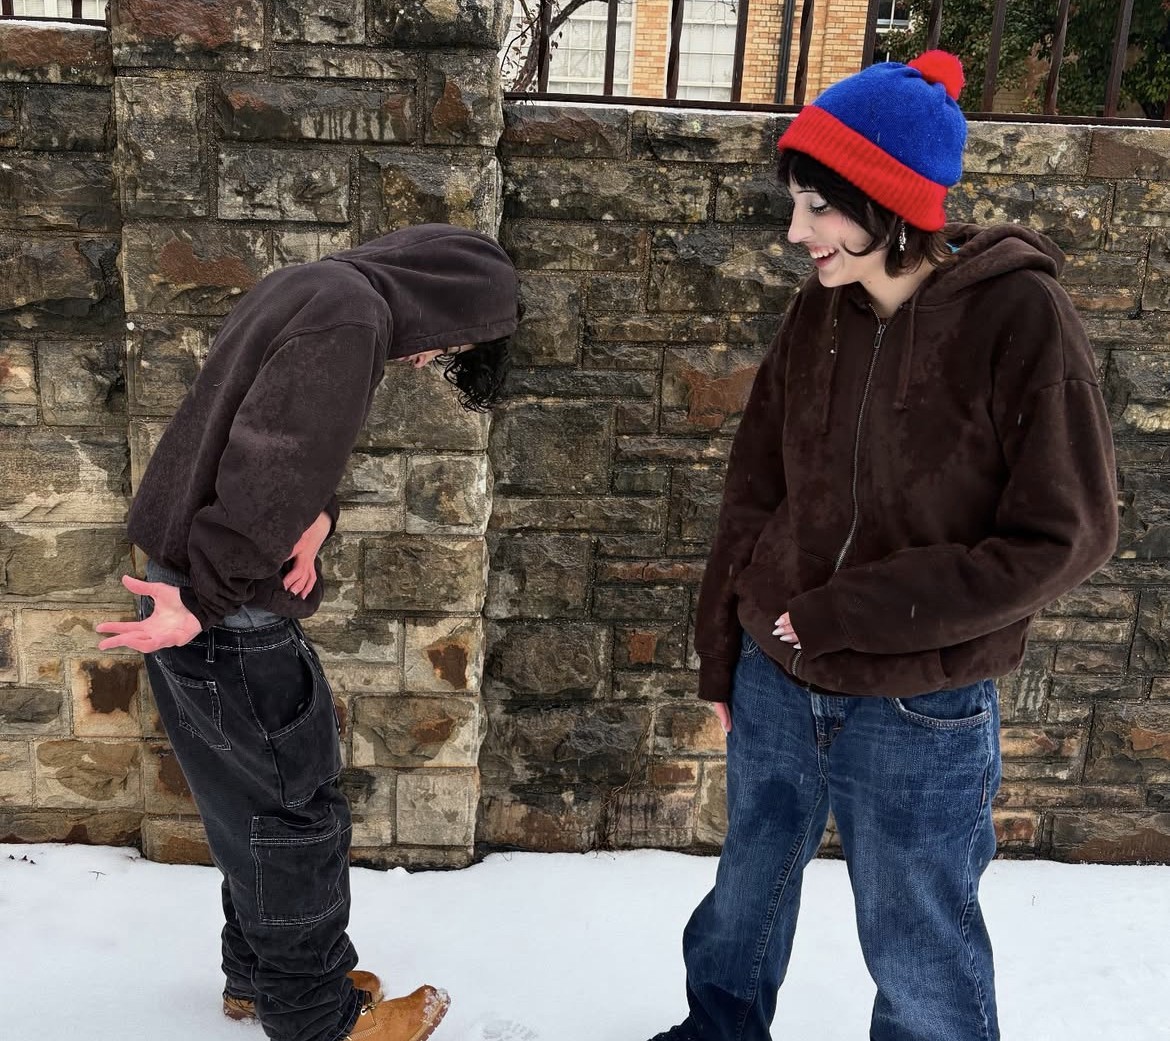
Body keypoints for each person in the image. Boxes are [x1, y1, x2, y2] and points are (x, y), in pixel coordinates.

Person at [651, 52, 1117, 1041]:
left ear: (890, 200)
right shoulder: (821, 307)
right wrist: (724, 648)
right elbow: (756, 485)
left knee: (917, 932)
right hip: (779, 674)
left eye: (819, 206)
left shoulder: (1019, 317)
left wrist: (852, 610)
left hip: (921, 704)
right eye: (795, 204)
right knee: (743, 898)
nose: (795, 232)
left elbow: (1065, 534)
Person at [95, 224, 521, 1041]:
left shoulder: (311, 285)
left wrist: (315, 518)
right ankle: (318, 1015)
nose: (435, 359)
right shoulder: (352, 318)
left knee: (245, 802)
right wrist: (207, 597)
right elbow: (268, 463)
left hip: (195, 582)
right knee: (291, 813)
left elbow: (251, 432)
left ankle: (261, 976)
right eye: (454, 341)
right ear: (445, 298)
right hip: (225, 604)